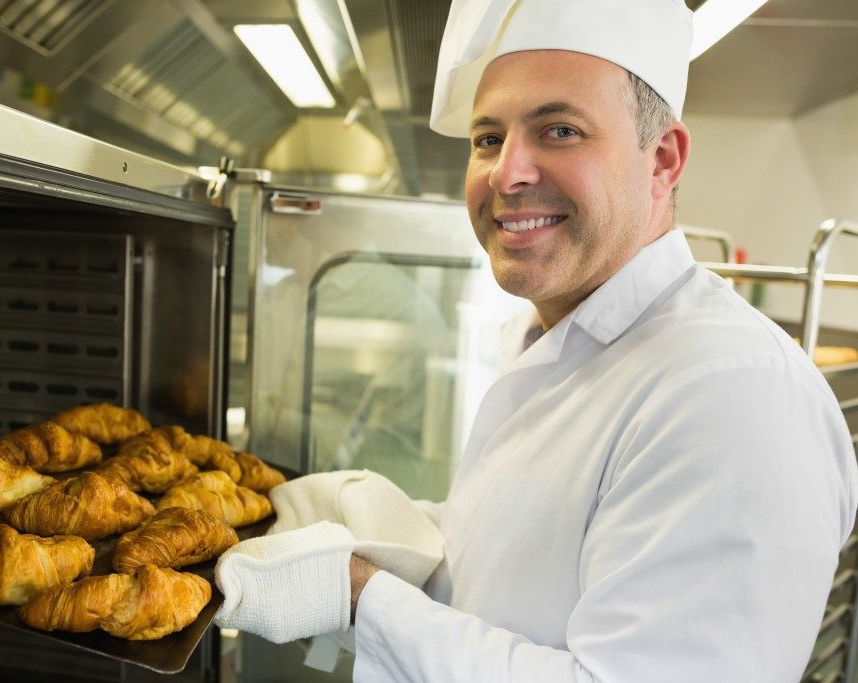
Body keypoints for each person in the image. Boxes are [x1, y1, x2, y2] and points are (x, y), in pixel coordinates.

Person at [215, 0, 858, 680]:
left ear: (662, 160)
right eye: (488, 139)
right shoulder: (555, 341)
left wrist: (357, 594)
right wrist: (384, 533)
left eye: (559, 130)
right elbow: (515, 588)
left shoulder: (734, 395)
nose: (506, 172)